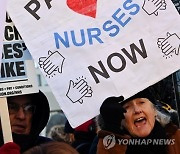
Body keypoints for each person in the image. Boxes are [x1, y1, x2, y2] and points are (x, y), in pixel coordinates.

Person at [97, 88, 180, 154]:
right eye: (127, 107)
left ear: (154, 110)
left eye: (141, 102)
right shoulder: (106, 145)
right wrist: (112, 130)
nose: (137, 110)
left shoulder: (176, 137)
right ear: (121, 121)